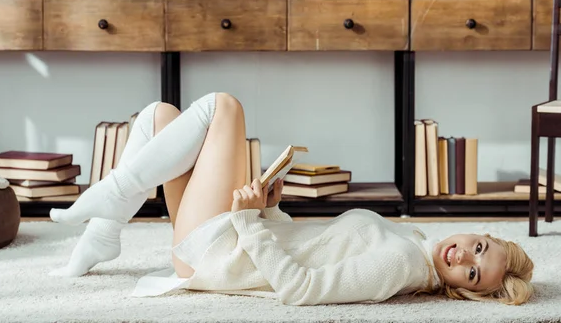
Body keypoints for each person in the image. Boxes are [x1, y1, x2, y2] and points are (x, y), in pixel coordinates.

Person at [49, 92, 535, 306]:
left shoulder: (400, 267)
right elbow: (311, 247)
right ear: (483, 234)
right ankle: (105, 230)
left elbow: (300, 289)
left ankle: (109, 199)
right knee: (159, 116)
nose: (464, 256)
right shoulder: (414, 239)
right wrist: (271, 207)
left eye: (471, 273)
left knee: (224, 106)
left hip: (219, 252)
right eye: (480, 248)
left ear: (461, 290)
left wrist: (249, 222)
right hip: (231, 238)